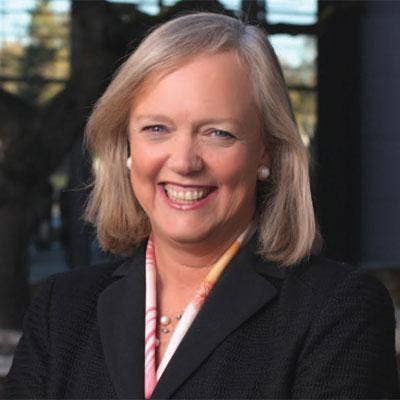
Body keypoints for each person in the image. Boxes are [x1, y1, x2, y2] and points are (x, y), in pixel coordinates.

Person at [4, 12, 399, 399]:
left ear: (266, 150)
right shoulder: (61, 310)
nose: (184, 162)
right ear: (126, 146)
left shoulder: (338, 311)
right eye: (156, 128)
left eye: (218, 133)